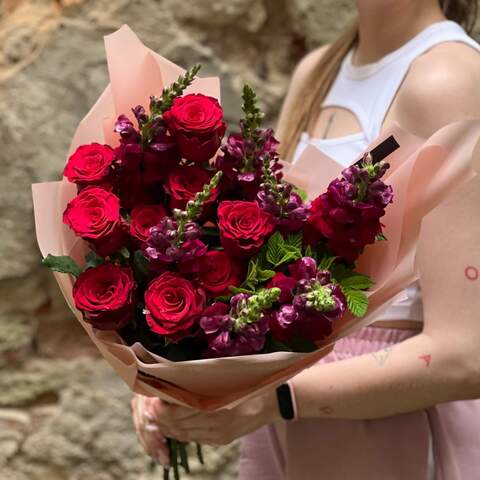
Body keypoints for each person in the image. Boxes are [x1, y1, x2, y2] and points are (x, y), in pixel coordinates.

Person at [131, 1, 480, 478]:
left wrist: (275, 399)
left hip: (388, 437)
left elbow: (465, 355)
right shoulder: (319, 70)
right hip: (291, 431)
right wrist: (170, 371)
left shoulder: (451, 78)